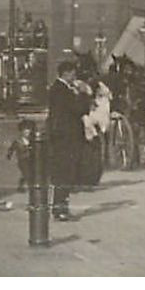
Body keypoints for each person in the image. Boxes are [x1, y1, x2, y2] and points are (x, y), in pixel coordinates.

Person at [47, 60, 88, 221]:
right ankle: (60, 209)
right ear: (66, 73)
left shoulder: (59, 89)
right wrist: (84, 93)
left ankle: (61, 207)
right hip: (66, 137)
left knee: (64, 173)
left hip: (62, 136)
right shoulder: (62, 90)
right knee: (64, 173)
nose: (75, 76)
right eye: (73, 73)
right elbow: (78, 110)